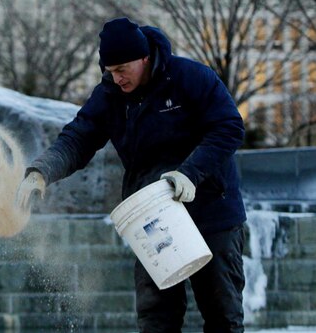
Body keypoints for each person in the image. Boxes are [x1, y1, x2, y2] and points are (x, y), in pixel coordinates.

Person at [16, 17, 246, 333]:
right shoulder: (110, 94)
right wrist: (41, 171)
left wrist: (189, 174)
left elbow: (230, 127)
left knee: (222, 316)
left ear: (144, 58)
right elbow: (79, 136)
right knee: (156, 319)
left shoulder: (190, 78)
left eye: (123, 69)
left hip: (211, 211)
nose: (117, 78)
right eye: (110, 71)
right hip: (153, 217)